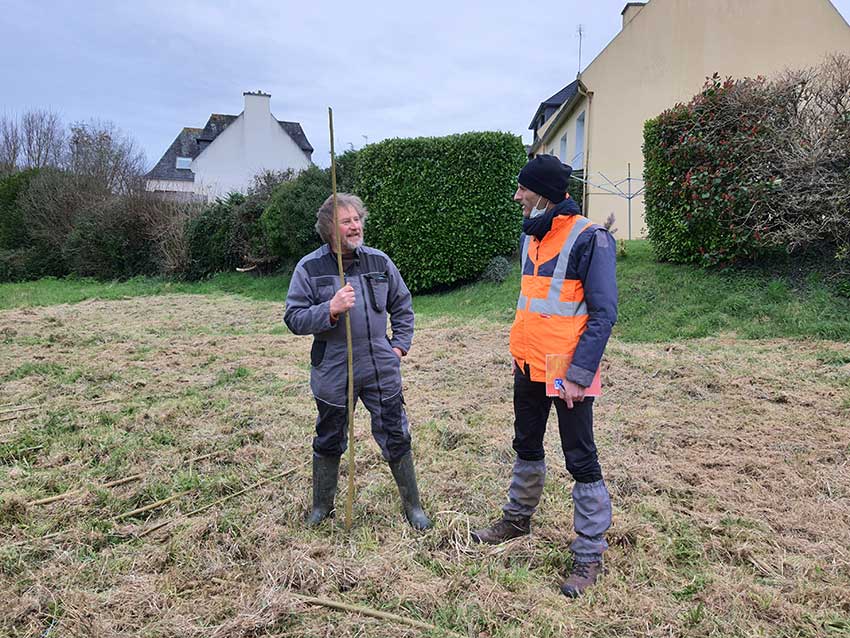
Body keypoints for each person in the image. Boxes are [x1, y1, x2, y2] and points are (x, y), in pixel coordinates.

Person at [471, 155, 618, 598]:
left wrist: (578, 373)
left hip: (567, 370)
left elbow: (604, 313)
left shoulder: (591, 239)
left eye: (523, 189)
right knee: (526, 444)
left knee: (580, 457)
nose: (517, 196)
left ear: (545, 194)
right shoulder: (532, 236)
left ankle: (589, 553)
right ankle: (517, 520)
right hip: (528, 364)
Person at [284, 192, 431, 530]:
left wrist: (399, 347)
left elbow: (403, 305)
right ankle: (322, 507)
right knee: (330, 436)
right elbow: (293, 318)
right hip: (333, 368)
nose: (355, 226)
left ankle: (414, 508)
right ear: (329, 229)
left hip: (380, 364)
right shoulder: (309, 268)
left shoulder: (379, 261)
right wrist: (329, 309)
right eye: (346, 221)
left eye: (357, 219)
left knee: (395, 433)